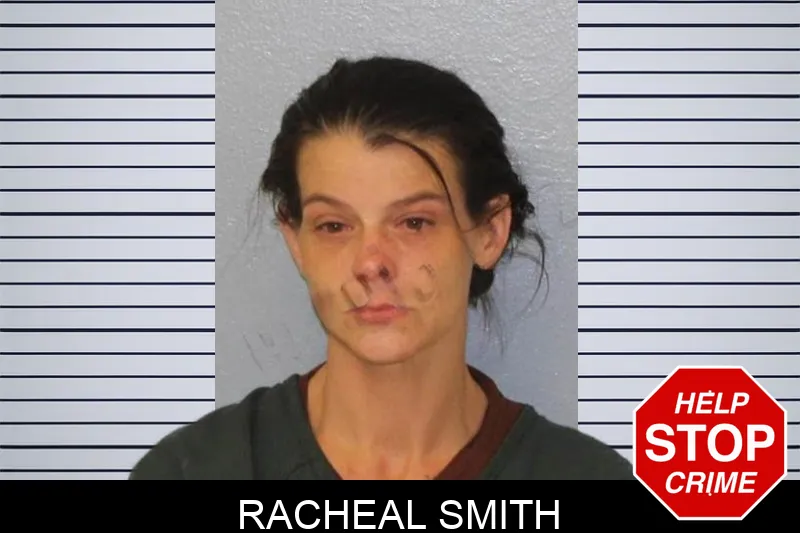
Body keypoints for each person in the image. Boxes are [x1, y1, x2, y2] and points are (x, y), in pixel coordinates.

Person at [130, 56, 632, 480]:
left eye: (414, 222)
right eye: (333, 226)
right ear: (296, 241)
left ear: (489, 232)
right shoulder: (194, 470)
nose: (371, 262)